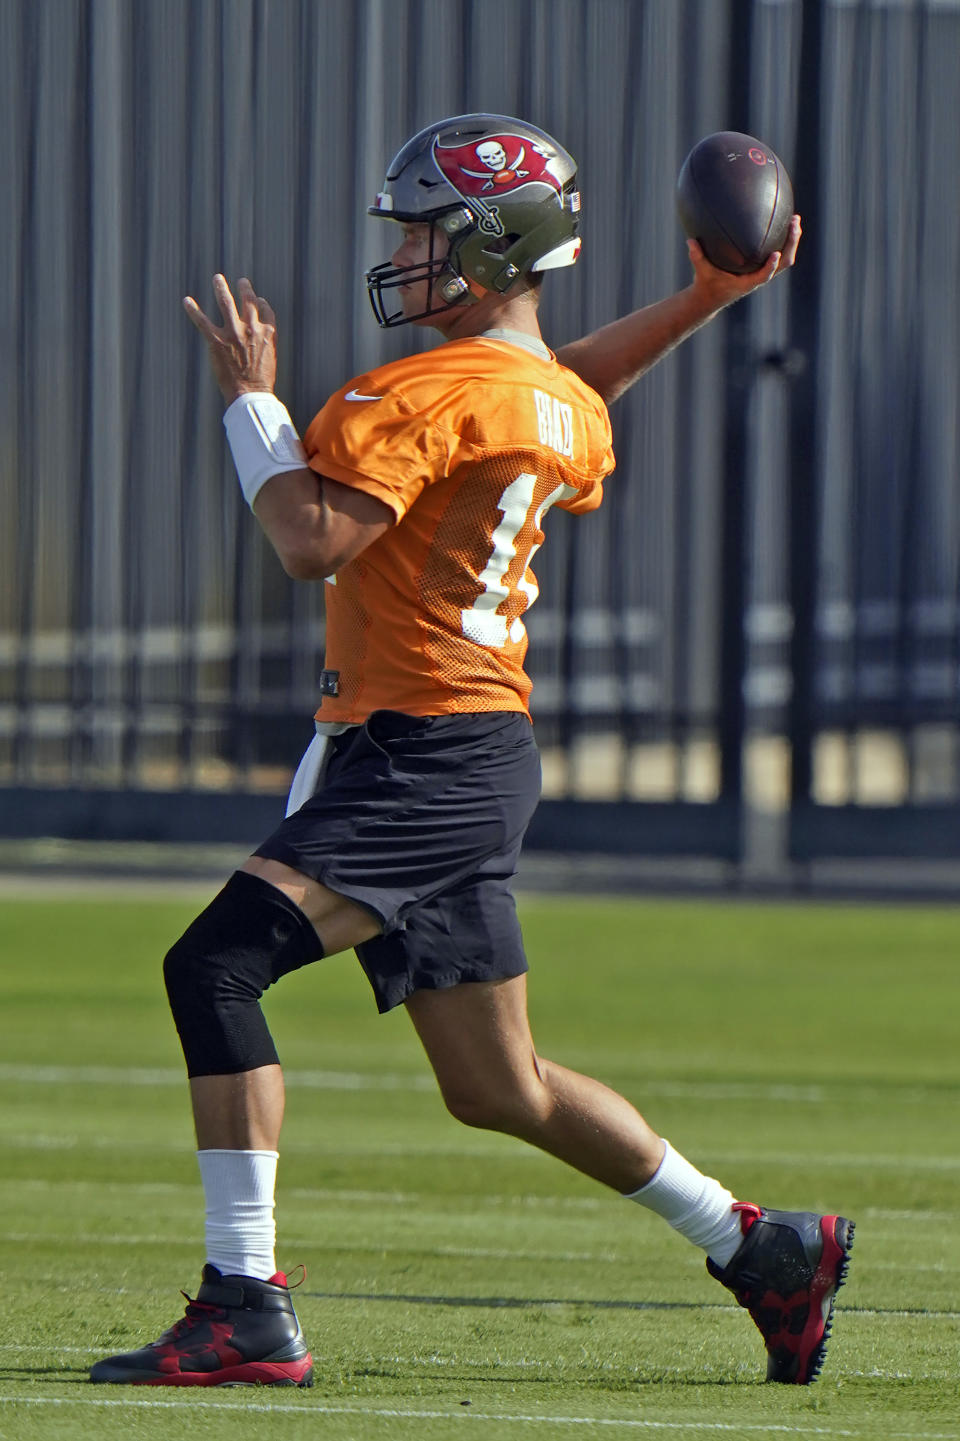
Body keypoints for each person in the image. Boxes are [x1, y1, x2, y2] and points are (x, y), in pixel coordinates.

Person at [90, 113, 852, 1390]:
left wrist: (252, 404)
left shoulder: (422, 390)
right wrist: (703, 298)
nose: (404, 253)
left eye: (427, 232)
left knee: (213, 965)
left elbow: (307, 537)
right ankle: (761, 1246)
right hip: (473, 749)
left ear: (495, 244)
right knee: (502, 1086)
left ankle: (245, 1303)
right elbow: (562, 384)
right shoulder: (550, 401)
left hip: (417, 750)